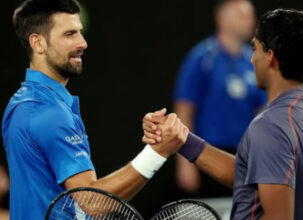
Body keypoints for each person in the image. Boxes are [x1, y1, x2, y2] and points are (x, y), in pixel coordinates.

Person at [1, 0, 188, 219]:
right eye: (70, 34)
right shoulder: (50, 114)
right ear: (38, 43)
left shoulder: (21, 103)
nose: (83, 43)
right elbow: (94, 203)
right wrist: (157, 153)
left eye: (80, 32)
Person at [143, 8, 303, 220]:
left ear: (270, 57)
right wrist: (183, 141)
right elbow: (252, 175)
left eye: (255, 49)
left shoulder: (270, 126)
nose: (252, 59)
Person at [173, 0, 266, 194]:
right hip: (206, 155)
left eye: (251, 15)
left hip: (244, 158)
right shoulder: (202, 58)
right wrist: (185, 162)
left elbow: (263, 112)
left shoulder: (254, 61)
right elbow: (184, 110)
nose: (250, 21)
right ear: (222, 19)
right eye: (242, 15)